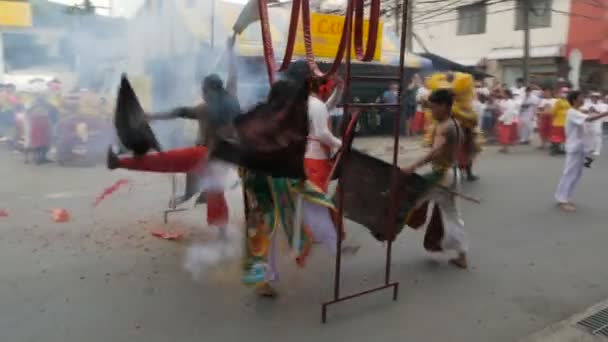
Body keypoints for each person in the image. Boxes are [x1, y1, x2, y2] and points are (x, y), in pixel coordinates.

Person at [108, 38, 240, 232]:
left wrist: (152, 116)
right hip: (219, 157)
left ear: (209, 91)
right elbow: (234, 75)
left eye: (203, 90)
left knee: (174, 165)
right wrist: (231, 50)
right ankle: (197, 201)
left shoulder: (205, 109)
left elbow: (179, 111)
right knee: (203, 181)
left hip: (210, 157)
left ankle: (208, 215)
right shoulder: (230, 97)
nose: (202, 93)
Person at [401, 88, 468, 269]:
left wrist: (412, 166)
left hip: (442, 176)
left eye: (434, 107)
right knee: (452, 214)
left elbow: (436, 151)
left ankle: (386, 230)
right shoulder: (455, 123)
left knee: (409, 200)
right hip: (452, 174)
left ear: (444, 107)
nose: (431, 112)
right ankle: (462, 254)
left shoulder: (445, 126)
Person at [554, 91, 608, 212]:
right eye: (581, 97)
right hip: (575, 148)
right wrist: (605, 113)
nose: (583, 98)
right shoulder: (572, 112)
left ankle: (566, 197)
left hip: (581, 147)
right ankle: (562, 199)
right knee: (569, 173)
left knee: (577, 174)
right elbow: (589, 119)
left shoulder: (577, 112)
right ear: (574, 100)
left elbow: (587, 117)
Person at [305, 78, 343, 193]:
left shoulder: (311, 102)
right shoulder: (317, 105)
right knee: (318, 194)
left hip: (310, 154)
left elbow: (328, 106)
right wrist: (340, 144)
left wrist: (339, 88)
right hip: (317, 156)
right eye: (330, 90)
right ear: (323, 89)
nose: (330, 92)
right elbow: (322, 134)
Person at [581, 91, 608, 158]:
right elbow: (582, 110)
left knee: (597, 134)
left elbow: (603, 113)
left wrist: (595, 110)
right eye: (593, 97)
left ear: (598, 98)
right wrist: (589, 110)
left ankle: (597, 150)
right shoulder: (587, 104)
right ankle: (590, 148)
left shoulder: (602, 105)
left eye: (596, 97)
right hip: (588, 121)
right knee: (589, 135)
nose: (594, 98)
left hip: (597, 121)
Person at [497, 89, 519, 153]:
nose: (502, 95)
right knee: (501, 133)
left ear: (507, 95)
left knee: (505, 133)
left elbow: (508, 112)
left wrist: (501, 119)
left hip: (507, 119)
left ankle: (506, 148)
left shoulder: (511, 102)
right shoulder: (502, 101)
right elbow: (500, 109)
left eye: (504, 94)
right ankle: (503, 147)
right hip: (502, 116)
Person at [550, 88, 571, 155]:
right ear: (560, 92)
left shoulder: (569, 101)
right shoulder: (558, 101)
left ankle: (559, 149)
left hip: (566, 122)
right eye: (564, 92)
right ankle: (553, 150)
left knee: (563, 137)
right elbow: (553, 111)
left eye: (567, 92)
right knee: (556, 137)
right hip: (558, 122)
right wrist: (553, 119)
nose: (565, 93)